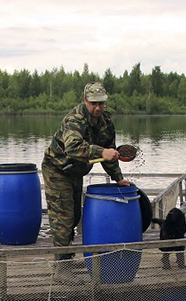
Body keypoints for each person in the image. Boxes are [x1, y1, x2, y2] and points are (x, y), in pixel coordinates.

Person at [42, 81, 131, 284]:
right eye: (93, 103)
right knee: (63, 217)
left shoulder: (106, 121)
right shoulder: (75, 119)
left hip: (75, 172)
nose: (97, 108)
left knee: (75, 215)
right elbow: (73, 148)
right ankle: (61, 269)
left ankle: (67, 256)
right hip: (57, 170)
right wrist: (101, 152)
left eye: (101, 103)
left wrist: (118, 178)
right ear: (85, 101)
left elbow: (111, 153)